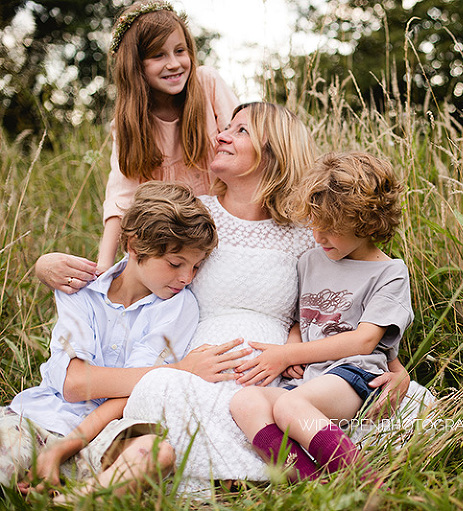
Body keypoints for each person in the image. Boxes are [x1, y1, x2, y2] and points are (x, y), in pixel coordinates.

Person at [121, 103, 415, 496]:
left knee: (279, 406)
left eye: (240, 130)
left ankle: (328, 480)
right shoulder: (199, 214)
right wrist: (53, 267)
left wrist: (395, 367)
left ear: (273, 151)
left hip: (289, 370)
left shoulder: (311, 231)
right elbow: (139, 262)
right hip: (208, 363)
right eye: (225, 127)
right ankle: (299, 481)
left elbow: (346, 311)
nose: (221, 135)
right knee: (173, 393)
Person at [0, 182, 244, 496]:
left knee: (157, 453)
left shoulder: (178, 306)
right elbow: (75, 384)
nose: (187, 278)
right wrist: (182, 369)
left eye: (196, 266)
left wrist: (60, 450)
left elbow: (132, 394)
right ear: (133, 245)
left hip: (108, 432)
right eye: (175, 263)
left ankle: (71, 501)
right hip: (38, 418)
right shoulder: (80, 292)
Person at [229, 151, 412, 483]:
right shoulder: (311, 261)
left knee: (288, 407)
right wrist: (292, 347)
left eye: (331, 229)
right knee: (245, 402)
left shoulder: (389, 273)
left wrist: (288, 354)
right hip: (310, 378)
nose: (317, 236)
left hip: (355, 377)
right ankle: (313, 484)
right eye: (315, 225)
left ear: (367, 222)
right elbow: (302, 319)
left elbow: (367, 340)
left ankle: (363, 481)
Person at [34, 0, 238, 293]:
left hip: (220, 234)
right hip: (170, 244)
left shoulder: (207, 84)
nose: (174, 63)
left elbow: (245, 146)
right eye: (158, 55)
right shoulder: (129, 120)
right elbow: (121, 195)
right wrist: (103, 267)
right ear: (135, 64)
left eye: (180, 51)